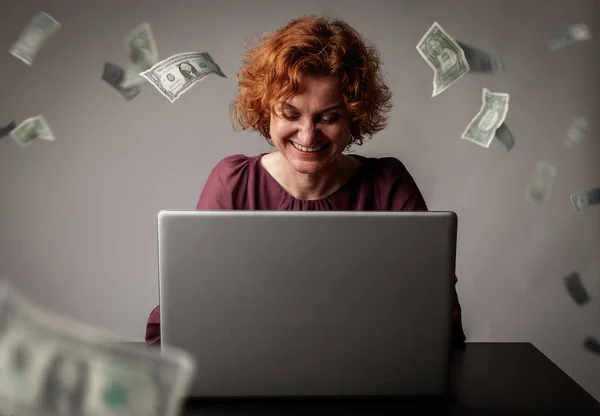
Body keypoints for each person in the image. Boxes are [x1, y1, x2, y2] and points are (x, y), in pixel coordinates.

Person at [146, 15, 466, 346]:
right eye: (290, 114)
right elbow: (182, 316)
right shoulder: (233, 183)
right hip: (250, 377)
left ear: (353, 117)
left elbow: (439, 321)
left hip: (368, 384)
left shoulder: (388, 186)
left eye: (328, 117)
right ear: (265, 109)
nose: (308, 135)